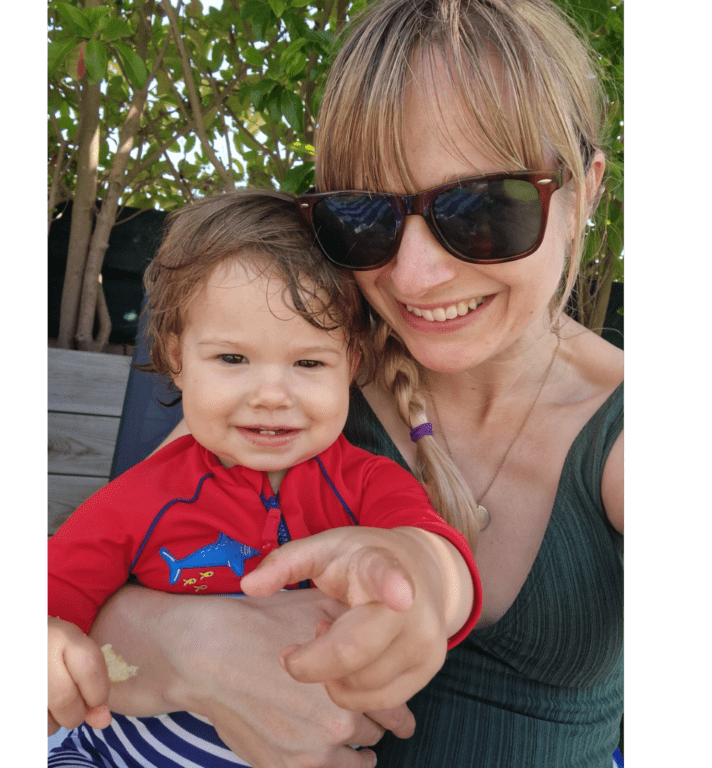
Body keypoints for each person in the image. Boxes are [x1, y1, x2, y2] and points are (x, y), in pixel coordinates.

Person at [59, 0, 624, 766]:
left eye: (486, 207)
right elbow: (121, 552)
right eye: (365, 216)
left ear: (585, 192)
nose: (416, 275)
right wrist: (194, 645)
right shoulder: (297, 378)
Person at [47, 188, 482, 767]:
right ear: (177, 357)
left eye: (307, 363)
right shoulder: (140, 498)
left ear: (350, 365)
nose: (271, 396)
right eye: (232, 359)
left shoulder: (369, 483)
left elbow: (435, 552)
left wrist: (417, 577)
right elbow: (61, 590)